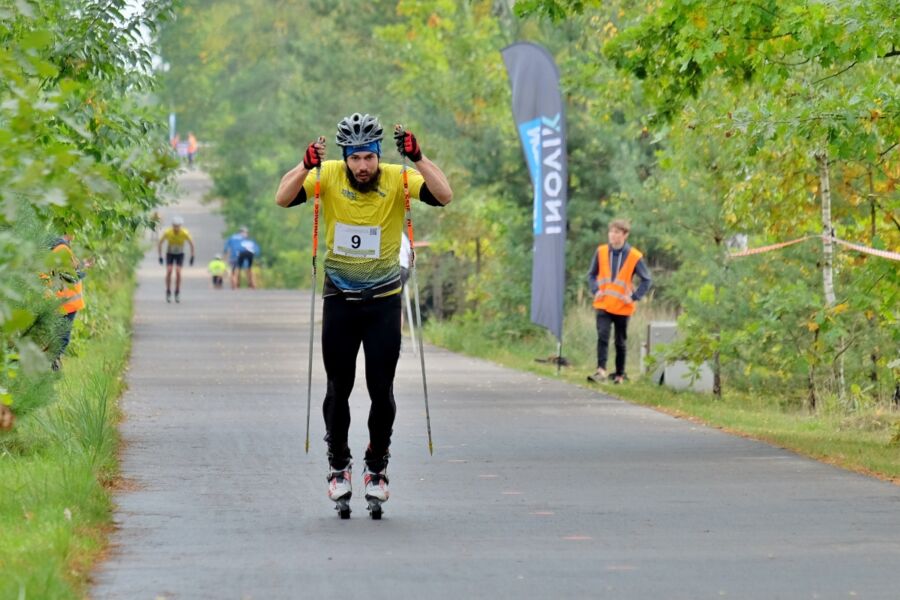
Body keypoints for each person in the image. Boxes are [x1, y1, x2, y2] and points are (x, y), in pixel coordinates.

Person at [275, 113, 452, 509]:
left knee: (381, 390)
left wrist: (420, 157)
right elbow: (282, 197)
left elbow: (444, 195)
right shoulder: (328, 174)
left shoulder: (397, 177)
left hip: (384, 302)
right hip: (340, 298)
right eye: (354, 158)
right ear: (345, 157)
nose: (362, 167)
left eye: (368, 158)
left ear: (378, 155)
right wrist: (304, 165)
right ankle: (339, 466)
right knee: (338, 388)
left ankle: (376, 467)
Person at [586, 219, 652, 384]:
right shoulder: (601, 251)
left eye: (616, 232)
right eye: (611, 232)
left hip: (623, 306)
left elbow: (647, 280)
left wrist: (633, 297)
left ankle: (620, 375)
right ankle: (601, 371)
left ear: (625, 235)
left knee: (620, 341)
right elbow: (591, 275)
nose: (612, 235)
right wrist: (596, 290)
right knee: (602, 335)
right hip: (603, 303)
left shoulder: (634, 256)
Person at [42, 233, 91, 371]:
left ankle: (51, 363)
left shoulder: (58, 247)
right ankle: (52, 364)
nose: (75, 234)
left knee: (58, 335)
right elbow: (69, 274)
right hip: (66, 302)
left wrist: (83, 265)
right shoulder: (62, 249)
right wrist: (81, 273)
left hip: (62, 301)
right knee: (63, 336)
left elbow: (68, 268)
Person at [157, 216, 195, 303]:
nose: (176, 228)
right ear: (172, 225)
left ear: (181, 226)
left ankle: (177, 291)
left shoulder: (185, 233)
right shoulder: (168, 232)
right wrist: (160, 256)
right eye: (175, 226)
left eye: (178, 226)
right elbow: (160, 243)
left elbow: (191, 244)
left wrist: (192, 256)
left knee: (178, 272)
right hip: (170, 253)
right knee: (169, 271)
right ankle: (168, 291)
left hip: (180, 254)